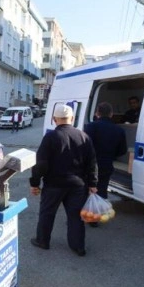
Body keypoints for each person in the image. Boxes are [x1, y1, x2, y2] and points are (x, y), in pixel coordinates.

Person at [29, 104, 98, 257]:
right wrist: (93, 184)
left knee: (47, 213)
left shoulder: (50, 137)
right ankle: (78, 247)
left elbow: (41, 164)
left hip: (54, 184)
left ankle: (43, 241)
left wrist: (34, 183)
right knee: (76, 216)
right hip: (77, 185)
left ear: (54, 119)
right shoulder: (84, 137)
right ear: (72, 119)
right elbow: (92, 163)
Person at [84, 102, 128, 202]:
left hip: (89, 166)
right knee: (102, 191)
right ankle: (99, 213)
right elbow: (122, 151)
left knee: (86, 191)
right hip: (106, 165)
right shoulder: (119, 130)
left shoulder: (90, 127)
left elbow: (83, 147)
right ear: (111, 114)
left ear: (97, 113)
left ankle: (85, 213)